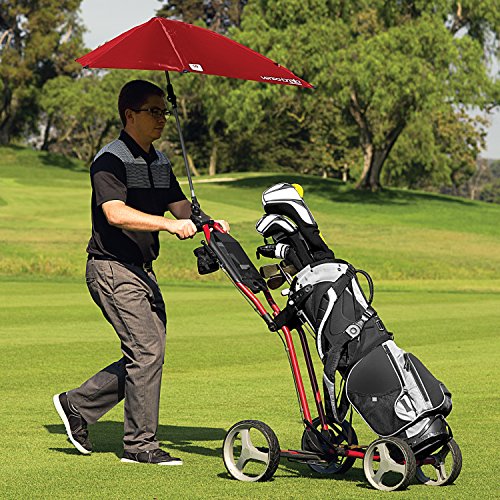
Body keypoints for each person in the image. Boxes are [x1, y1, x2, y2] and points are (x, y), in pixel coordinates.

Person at [53, 79, 229, 466]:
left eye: (164, 111)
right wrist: (168, 225)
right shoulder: (110, 159)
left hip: (143, 272)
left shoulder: (160, 161)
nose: (162, 118)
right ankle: (139, 446)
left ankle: (78, 404)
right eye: (153, 111)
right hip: (111, 268)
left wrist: (208, 223)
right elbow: (115, 213)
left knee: (147, 353)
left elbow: (180, 205)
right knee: (147, 351)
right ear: (130, 115)